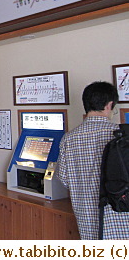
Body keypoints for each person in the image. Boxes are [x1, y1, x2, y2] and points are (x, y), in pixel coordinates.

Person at [58, 81, 129, 239]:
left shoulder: (69, 139)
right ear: (109, 105)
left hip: (87, 220)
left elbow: (64, 179)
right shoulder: (122, 135)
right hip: (121, 219)